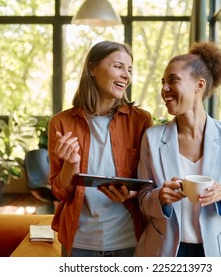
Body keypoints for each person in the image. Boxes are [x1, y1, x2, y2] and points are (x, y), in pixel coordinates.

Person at [134, 41, 221, 257]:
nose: (164, 89)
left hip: (215, 251)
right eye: (163, 83)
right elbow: (143, 198)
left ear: (199, 85)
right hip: (164, 250)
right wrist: (160, 196)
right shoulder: (152, 137)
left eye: (173, 80)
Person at [48, 40, 153, 257]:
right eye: (118, 66)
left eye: (129, 69)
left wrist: (130, 193)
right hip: (79, 242)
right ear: (93, 69)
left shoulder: (141, 121)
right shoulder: (61, 123)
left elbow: (151, 182)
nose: (126, 75)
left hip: (128, 239)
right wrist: (71, 165)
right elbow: (59, 192)